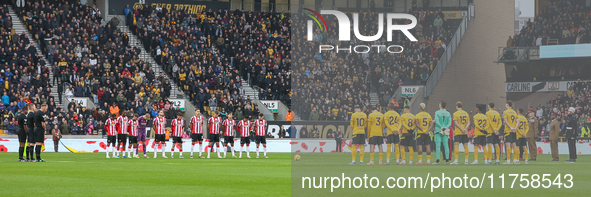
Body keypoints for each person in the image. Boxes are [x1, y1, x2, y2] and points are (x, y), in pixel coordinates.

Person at [502, 100, 518, 165]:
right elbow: (517, 121)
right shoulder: (514, 112)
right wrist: (515, 128)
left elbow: (505, 121)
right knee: (514, 145)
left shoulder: (505, 112)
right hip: (514, 131)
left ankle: (508, 160)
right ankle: (515, 160)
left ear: (507, 105)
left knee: (508, 145)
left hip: (508, 131)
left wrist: (511, 128)